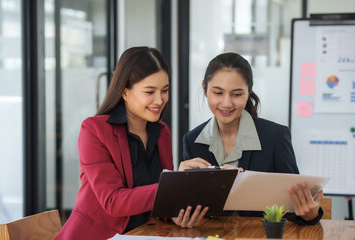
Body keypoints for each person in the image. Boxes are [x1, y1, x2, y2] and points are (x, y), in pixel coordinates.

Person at [55, 47, 207, 240]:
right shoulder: (94, 130)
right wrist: (174, 184)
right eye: (150, 91)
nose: (160, 100)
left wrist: (175, 214)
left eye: (165, 90)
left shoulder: (162, 132)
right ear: (125, 92)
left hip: (143, 234)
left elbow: (158, 201)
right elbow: (113, 201)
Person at [180, 52, 324, 225]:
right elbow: (192, 208)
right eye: (218, 92)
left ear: (248, 92)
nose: (226, 103)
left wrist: (310, 214)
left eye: (237, 94)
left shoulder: (275, 137)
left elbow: (296, 206)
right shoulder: (192, 140)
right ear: (205, 89)